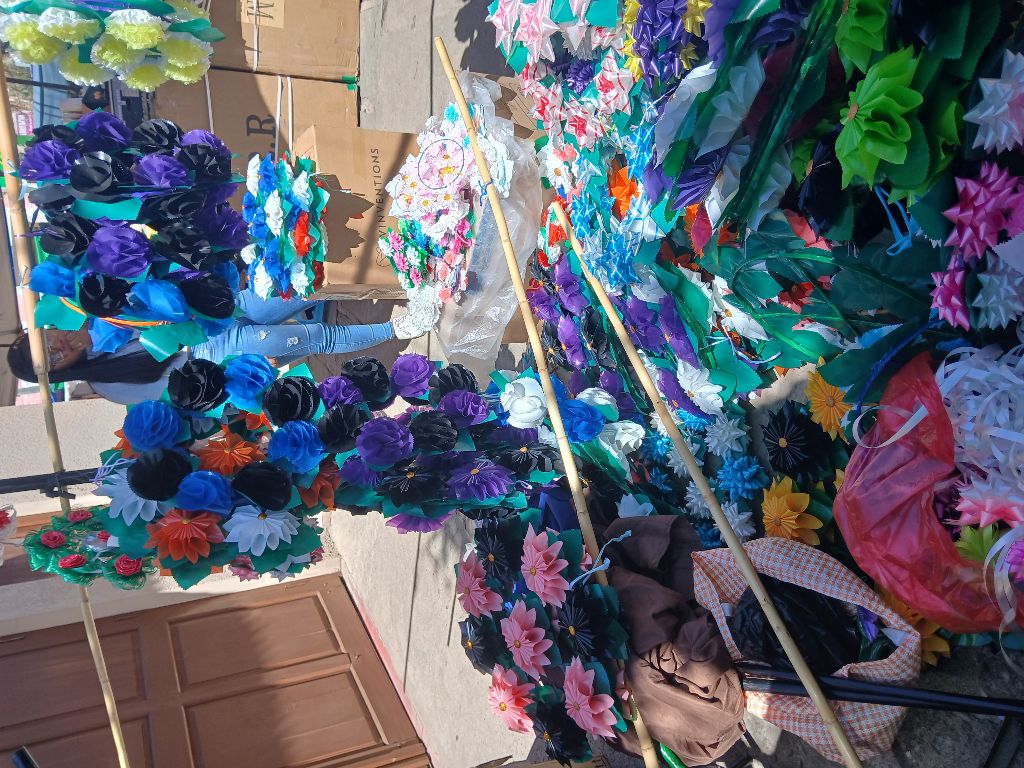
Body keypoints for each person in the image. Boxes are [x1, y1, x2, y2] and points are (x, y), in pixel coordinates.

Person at [6, 289, 428, 405]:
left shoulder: (89, 303)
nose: (60, 346)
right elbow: (184, 387)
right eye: (54, 358)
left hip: (213, 313)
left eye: (48, 341)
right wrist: (240, 374)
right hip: (215, 353)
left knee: (303, 287)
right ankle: (401, 325)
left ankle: (388, 276)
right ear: (59, 371)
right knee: (319, 338)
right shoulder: (112, 385)